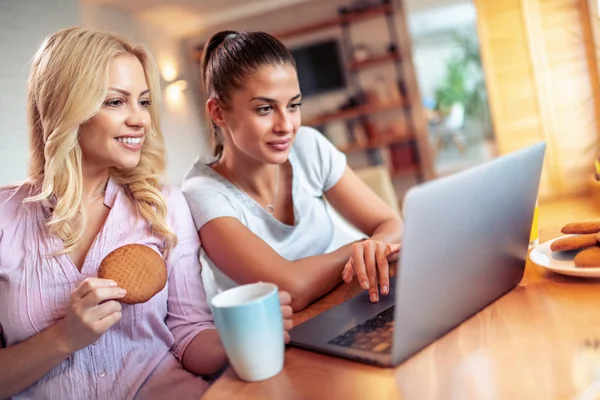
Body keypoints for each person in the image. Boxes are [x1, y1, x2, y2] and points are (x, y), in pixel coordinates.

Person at [0, 27, 292, 400]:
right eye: (116, 102)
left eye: (144, 101)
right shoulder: (4, 218)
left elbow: (188, 338)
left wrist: (242, 334)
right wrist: (63, 338)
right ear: (66, 107)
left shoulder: (164, 206)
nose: (141, 120)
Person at [182, 30, 403, 312]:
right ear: (218, 113)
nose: (286, 125)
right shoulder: (202, 193)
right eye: (264, 109)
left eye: (294, 105)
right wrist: (359, 248)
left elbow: (393, 225)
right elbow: (290, 290)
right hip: (281, 337)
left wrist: (375, 245)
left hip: (348, 304)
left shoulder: (307, 146)